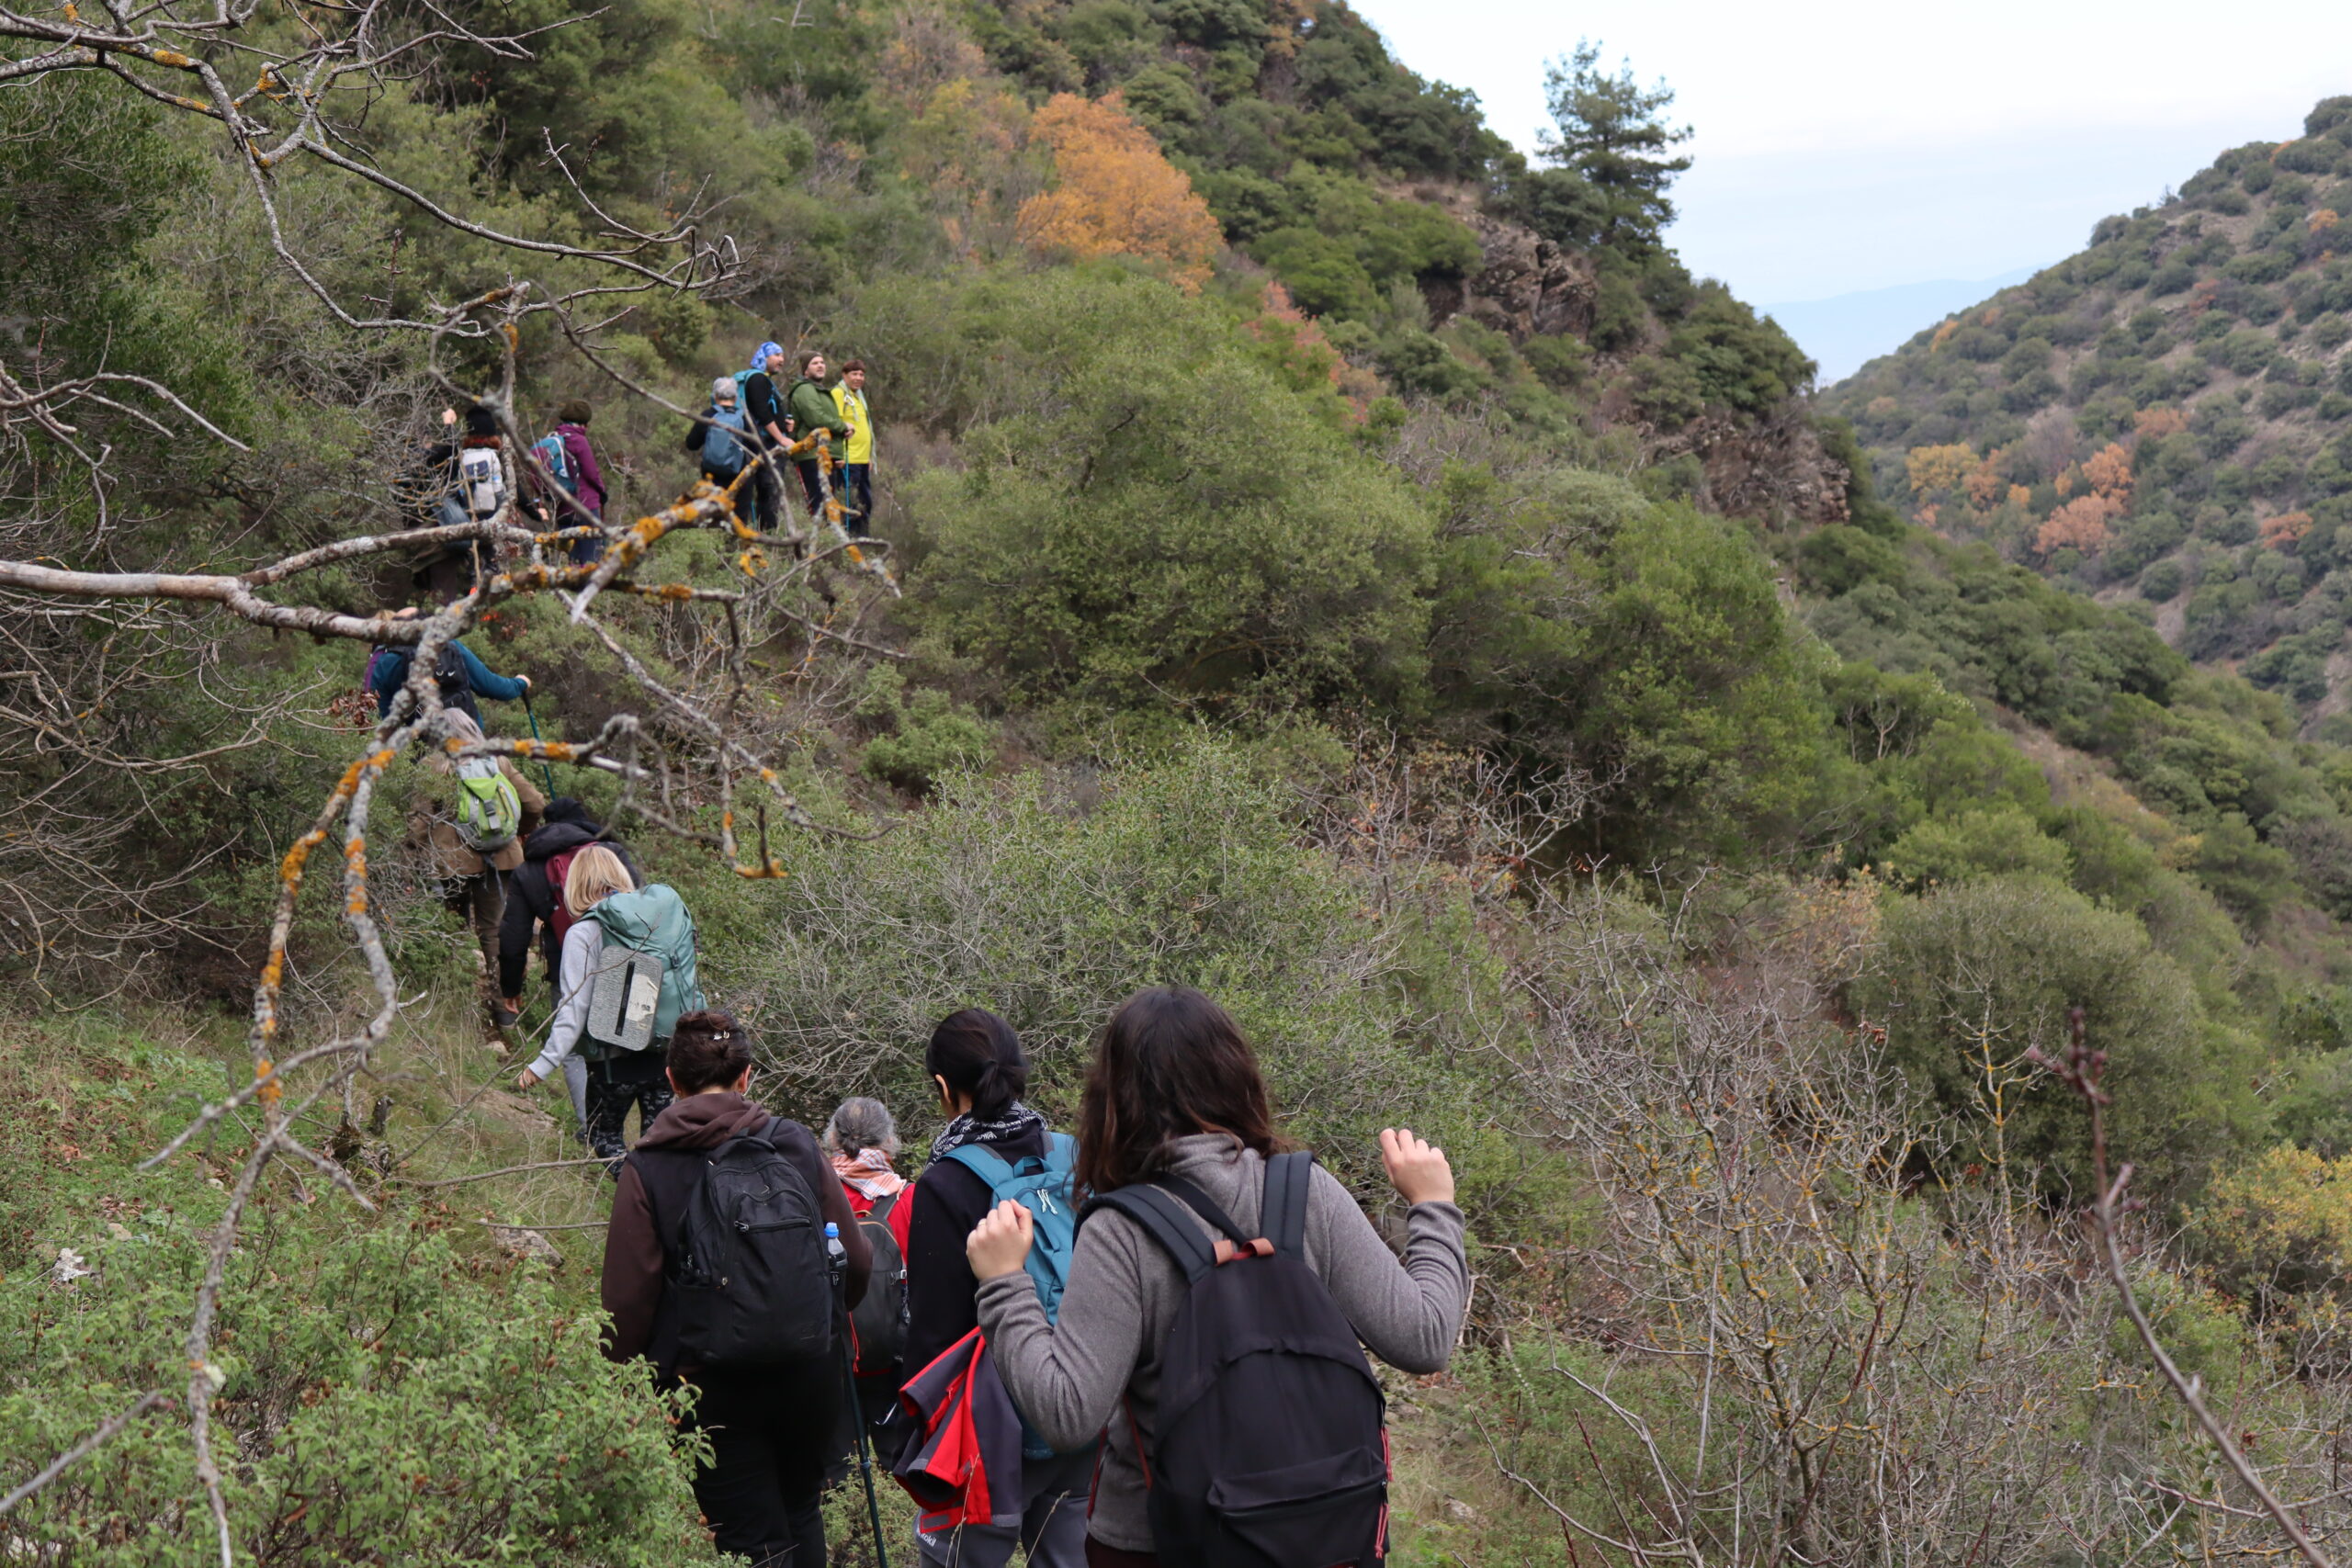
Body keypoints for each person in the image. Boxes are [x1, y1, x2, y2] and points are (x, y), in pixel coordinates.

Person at [967, 986, 1470, 1567]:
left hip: (1163, 1544)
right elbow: (1428, 1337)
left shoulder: (1122, 1228)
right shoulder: (1309, 1193)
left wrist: (1005, 1283)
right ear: (1238, 1077)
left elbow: (1067, 1414)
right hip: (1324, 1531)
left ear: (1114, 1099)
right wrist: (1432, 1204)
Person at [604, 1010, 873, 1568]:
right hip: (809, 1372)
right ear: (747, 1076)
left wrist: (626, 1381)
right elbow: (857, 1261)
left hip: (708, 1387)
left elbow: (627, 1304)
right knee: (801, 1510)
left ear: (671, 1080)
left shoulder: (649, 1167)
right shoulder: (795, 1145)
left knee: (750, 1540)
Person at [900, 1010, 1090, 1568]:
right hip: (1085, 1402)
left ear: (943, 1086)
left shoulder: (946, 1181)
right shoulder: (1075, 1154)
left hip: (993, 1432)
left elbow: (935, 1328)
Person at [515, 845, 700, 1162]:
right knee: (658, 1146)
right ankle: (660, 1201)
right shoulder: (655, 920)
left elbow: (574, 1008)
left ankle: (636, 1196)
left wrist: (540, 1066)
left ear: (577, 884)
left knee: (604, 1138)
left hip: (613, 1065)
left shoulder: (585, 931)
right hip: (665, 1056)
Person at [494, 798, 642, 1126]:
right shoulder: (610, 853)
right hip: (627, 962)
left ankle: (590, 1127)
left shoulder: (529, 869)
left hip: (567, 961)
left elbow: (513, 935)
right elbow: (641, 904)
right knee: (633, 1038)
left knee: (574, 1046)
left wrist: (511, 987)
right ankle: (634, 1127)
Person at [408, 709, 545, 1025]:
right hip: (501, 856)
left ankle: (456, 1001)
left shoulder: (435, 766)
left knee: (453, 928)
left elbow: (419, 821)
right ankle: (504, 1008)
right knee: (494, 929)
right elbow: (535, 803)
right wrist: (517, 832)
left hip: (451, 861)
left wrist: (410, 855)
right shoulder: (498, 761)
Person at [827, 1097, 914, 1445]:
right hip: (893, 1360)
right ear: (889, 1140)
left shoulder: (813, 1194)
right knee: (900, 1460)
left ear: (833, 1139)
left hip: (831, 1359)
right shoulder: (910, 1199)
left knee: (836, 1472)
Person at [365, 611, 532, 726]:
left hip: (422, 754)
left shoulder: (386, 662)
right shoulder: (450, 647)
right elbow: (493, 687)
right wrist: (520, 683)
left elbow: (379, 718)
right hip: (468, 739)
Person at [784, 351, 851, 522]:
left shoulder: (819, 391)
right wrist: (843, 427)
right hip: (811, 456)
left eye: (822, 362)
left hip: (825, 455)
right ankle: (817, 545)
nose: (820, 365)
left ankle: (827, 545)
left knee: (829, 508)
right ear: (805, 370)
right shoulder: (805, 390)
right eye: (815, 363)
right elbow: (816, 418)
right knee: (819, 507)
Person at [549, 400, 608, 562]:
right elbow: (591, 472)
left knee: (572, 559)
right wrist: (602, 492)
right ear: (583, 423)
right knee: (590, 560)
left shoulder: (555, 439)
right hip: (586, 506)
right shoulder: (579, 440)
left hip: (562, 507)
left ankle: (572, 585)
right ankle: (589, 586)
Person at [743, 342, 791, 534]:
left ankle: (766, 533)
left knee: (768, 492)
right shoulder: (757, 379)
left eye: (782, 356)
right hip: (765, 445)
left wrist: (784, 422)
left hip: (767, 443)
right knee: (769, 491)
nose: (781, 360)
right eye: (777, 355)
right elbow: (762, 414)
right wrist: (781, 438)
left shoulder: (765, 380)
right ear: (765, 356)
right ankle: (767, 536)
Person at [684, 375, 754, 491]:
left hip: (711, 477)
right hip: (739, 479)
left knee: (712, 508)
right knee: (739, 509)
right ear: (735, 397)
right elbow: (757, 447)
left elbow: (691, 444)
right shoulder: (745, 417)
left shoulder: (708, 415)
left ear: (715, 396)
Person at [829, 360, 874, 537]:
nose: (858, 378)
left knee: (866, 502)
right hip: (848, 459)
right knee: (851, 503)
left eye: (861, 374)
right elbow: (835, 424)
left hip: (862, 459)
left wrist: (869, 456)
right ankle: (850, 543)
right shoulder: (838, 394)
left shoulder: (858, 397)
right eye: (854, 374)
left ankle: (863, 539)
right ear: (844, 375)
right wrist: (838, 455)